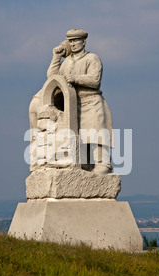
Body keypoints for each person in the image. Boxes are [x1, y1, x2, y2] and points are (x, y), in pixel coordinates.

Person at [47, 28, 113, 174]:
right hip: (73, 104)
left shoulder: (92, 58)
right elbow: (52, 78)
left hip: (92, 102)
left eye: (76, 40)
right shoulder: (67, 61)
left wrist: (75, 78)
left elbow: (95, 80)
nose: (73, 43)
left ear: (83, 42)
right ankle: (86, 167)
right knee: (80, 138)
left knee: (96, 134)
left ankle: (103, 164)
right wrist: (56, 58)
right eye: (70, 41)